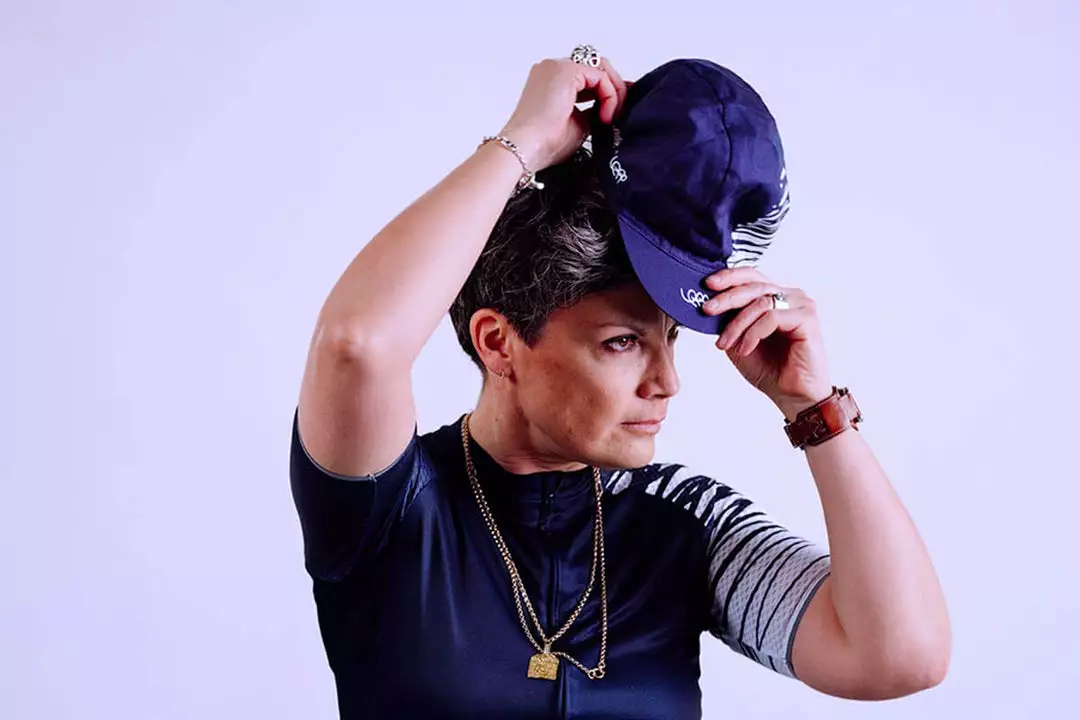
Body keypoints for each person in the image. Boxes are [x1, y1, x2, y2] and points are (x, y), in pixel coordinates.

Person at [289, 47, 951, 719]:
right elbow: (356, 347)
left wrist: (814, 408)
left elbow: (901, 655)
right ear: (498, 342)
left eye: (671, 338)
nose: (667, 382)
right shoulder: (391, 504)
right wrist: (522, 143)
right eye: (623, 342)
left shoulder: (684, 521)